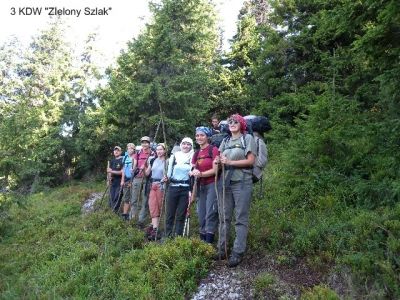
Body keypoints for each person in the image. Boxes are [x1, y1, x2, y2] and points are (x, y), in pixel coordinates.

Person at [215, 114, 257, 267]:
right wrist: (217, 161)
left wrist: (231, 161)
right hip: (225, 182)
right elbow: (219, 158)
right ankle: (222, 248)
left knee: (240, 217)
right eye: (230, 122)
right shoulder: (225, 141)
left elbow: (251, 160)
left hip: (242, 182)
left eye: (235, 121)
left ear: (241, 124)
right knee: (224, 216)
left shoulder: (247, 139)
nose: (232, 123)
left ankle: (237, 252)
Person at [189, 127, 219, 243]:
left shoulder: (213, 150)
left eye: (202, 135)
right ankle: (202, 243)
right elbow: (193, 168)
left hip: (212, 184)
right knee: (201, 214)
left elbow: (215, 170)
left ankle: (209, 243)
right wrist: (192, 172)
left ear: (207, 137)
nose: (199, 138)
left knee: (210, 214)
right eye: (197, 136)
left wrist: (200, 174)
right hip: (200, 186)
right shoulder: (196, 153)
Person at [164, 137, 194, 237]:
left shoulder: (193, 157)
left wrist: (191, 189)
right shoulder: (175, 156)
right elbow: (169, 172)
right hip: (173, 187)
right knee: (170, 214)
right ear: (181, 145)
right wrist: (166, 178)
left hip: (186, 189)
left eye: (188, 144)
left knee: (181, 214)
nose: (186, 146)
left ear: (191, 146)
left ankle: (178, 237)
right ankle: (167, 235)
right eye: (184, 144)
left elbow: (193, 174)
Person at [144, 143, 168, 240]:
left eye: (161, 149)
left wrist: (165, 179)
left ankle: (157, 228)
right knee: (152, 205)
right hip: (153, 185)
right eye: (157, 149)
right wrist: (144, 167)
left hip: (161, 186)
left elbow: (168, 174)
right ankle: (154, 228)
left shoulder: (168, 161)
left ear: (165, 150)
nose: (159, 151)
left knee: (159, 206)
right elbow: (147, 173)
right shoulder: (153, 160)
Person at [131, 136, 155, 225]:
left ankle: (141, 221)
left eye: (146, 142)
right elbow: (135, 164)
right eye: (143, 142)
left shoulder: (153, 154)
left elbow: (152, 167)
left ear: (149, 143)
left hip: (147, 179)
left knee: (145, 200)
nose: (144, 144)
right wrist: (133, 170)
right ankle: (132, 218)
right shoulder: (138, 153)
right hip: (137, 178)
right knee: (134, 199)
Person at [120, 143, 136, 221]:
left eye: (131, 148)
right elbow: (123, 169)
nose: (129, 149)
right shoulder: (125, 157)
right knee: (126, 198)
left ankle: (132, 216)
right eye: (128, 148)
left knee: (133, 198)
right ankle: (125, 214)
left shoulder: (136, 157)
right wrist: (122, 180)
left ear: (134, 149)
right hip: (126, 179)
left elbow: (135, 170)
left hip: (133, 179)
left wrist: (132, 181)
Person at [107, 146, 124, 212]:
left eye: (118, 150)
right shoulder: (112, 161)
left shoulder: (122, 160)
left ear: (120, 152)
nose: (116, 152)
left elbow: (121, 172)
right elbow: (109, 171)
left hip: (119, 181)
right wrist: (108, 179)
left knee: (117, 197)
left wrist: (111, 171)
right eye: (115, 150)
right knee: (111, 197)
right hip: (112, 181)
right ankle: (110, 212)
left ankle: (115, 212)